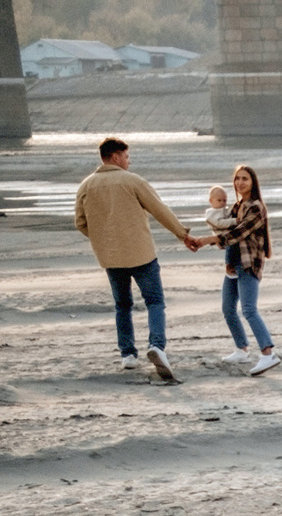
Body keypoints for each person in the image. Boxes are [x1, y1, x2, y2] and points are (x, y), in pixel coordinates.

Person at [73, 137, 203, 383]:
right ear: (115, 157)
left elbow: (80, 222)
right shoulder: (132, 181)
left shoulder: (86, 186)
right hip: (141, 253)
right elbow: (159, 209)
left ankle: (128, 355)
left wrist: (103, 239)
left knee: (122, 305)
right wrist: (183, 235)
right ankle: (157, 346)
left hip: (111, 257)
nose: (128, 162)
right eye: (126, 157)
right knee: (155, 302)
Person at [218, 164, 280, 377]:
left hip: (248, 265)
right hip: (232, 266)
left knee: (249, 310)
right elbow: (225, 231)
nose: (240, 183)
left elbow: (237, 233)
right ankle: (242, 349)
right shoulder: (237, 206)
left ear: (253, 182)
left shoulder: (255, 207)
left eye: (245, 179)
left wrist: (210, 239)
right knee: (227, 309)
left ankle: (268, 352)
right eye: (237, 179)